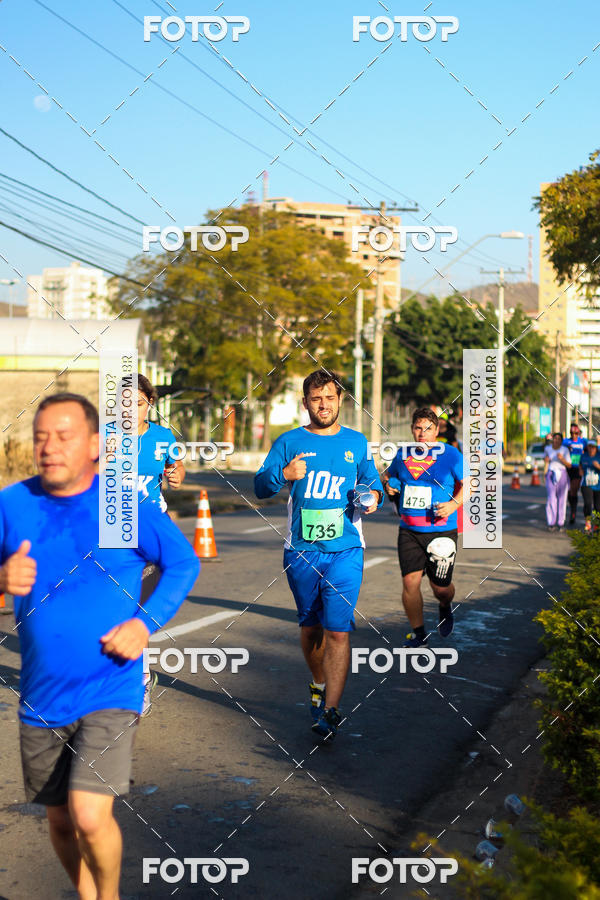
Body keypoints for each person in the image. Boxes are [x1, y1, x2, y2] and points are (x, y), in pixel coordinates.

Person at [0, 393, 199, 900]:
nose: (48, 447)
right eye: (40, 436)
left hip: (111, 683)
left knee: (90, 815)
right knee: (62, 822)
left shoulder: (120, 506)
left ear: (95, 445)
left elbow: (183, 563)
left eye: (63, 437)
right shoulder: (13, 504)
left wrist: (144, 623)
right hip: (41, 695)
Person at [254, 370, 383, 740]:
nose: (323, 404)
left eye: (329, 397)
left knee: (338, 632)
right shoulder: (289, 441)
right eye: (315, 398)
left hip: (346, 550)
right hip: (302, 552)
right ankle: (318, 680)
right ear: (305, 402)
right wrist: (285, 473)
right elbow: (261, 486)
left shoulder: (357, 443)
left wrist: (372, 498)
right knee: (310, 628)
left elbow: (372, 484)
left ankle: (330, 710)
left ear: (340, 399)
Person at [382, 407, 463, 647]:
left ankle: (445, 604)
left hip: (441, 530)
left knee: (441, 588)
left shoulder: (451, 454)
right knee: (410, 583)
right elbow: (387, 475)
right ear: (412, 429)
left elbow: (469, 485)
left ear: (437, 430)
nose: (422, 433)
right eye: (418, 428)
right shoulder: (403, 454)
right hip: (409, 530)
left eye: (428, 428)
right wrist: (389, 485)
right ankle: (419, 634)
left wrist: (452, 504)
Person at [135, 374, 186, 714]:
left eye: (138, 403)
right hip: (109, 532)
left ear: (149, 404)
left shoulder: (162, 437)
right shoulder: (105, 437)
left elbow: (178, 472)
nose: (130, 409)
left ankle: (138, 683)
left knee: (135, 608)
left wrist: (175, 475)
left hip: (150, 530)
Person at [544, 432, 571, 531]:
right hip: (551, 473)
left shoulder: (565, 450)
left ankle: (560, 523)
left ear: (561, 441)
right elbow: (546, 460)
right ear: (553, 440)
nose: (556, 440)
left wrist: (562, 459)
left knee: (562, 499)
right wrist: (546, 461)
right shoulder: (547, 449)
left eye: (559, 439)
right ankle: (551, 522)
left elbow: (569, 465)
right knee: (551, 498)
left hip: (562, 473)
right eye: (555, 438)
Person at [562, 423, 587, 525]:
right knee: (568, 492)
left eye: (576, 433)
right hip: (568, 469)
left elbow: (590, 450)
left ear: (579, 433)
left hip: (578, 469)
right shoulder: (566, 441)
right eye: (572, 433)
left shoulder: (583, 441)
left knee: (573, 491)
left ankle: (573, 512)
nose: (574, 435)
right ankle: (572, 508)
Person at [579, 439, 600, 533]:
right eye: (590, 447)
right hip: (586, 484)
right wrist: (580, 470)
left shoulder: (599, 456)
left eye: (593, 447)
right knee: (588, 503)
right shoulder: (584, 456)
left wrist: (598, 467)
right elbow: (580, 464)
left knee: (598, 507)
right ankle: (588, 522)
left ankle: (597, 524)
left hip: (598, 485)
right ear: (587, 447)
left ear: (596, 448)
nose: (591, 449)